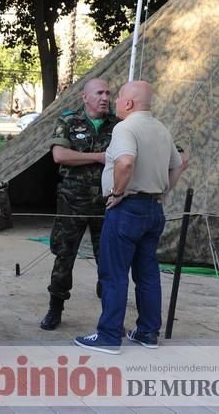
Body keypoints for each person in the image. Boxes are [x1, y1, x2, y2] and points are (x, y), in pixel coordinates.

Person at [75, 81, 188, 354]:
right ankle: (148, 332)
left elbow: (125, 162)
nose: (113, 102)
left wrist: (117, 192)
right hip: (153, 209)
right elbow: (181, 163)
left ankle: (108, 336)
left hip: (127, 208)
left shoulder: (125, 128)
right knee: (147, 273)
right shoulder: (161, 128)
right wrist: (162, 190)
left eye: (117, 98)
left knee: (114, 273)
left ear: (128, 103)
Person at [40, 78, 119, 331]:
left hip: (106, 203)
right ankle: (55, 308)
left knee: (108, 259)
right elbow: (60, 155)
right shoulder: (69, 121)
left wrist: (84, 158)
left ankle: (110, 316)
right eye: (99, 93)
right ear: (85, 97)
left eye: (108, 93)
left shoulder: (118, 125)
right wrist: (99, 157)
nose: (105, 97)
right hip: (72, 201)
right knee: (64, 256)